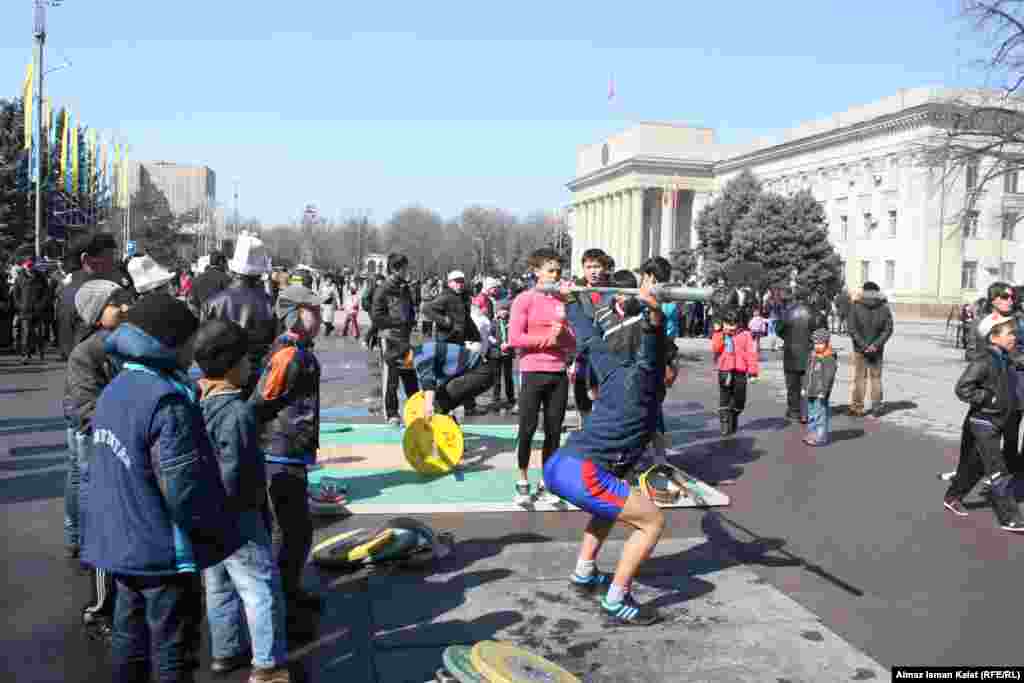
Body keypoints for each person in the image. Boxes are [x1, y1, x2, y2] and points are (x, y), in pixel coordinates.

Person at [83, 292, 242, 683]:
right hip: (162, 550)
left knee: (128, 638)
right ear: (170, 342)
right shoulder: (167, 401)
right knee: (173, 650)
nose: (194, 350)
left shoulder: (115, 388)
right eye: (189, 341)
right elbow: (183, 489)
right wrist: (216, 534)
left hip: (119, 541)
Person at [542, 280, 668, 626]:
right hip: (584, 472)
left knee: (613, 504)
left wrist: (569, 301)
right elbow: (653, 347)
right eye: (669, 371)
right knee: (652, 521)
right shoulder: (646, 377)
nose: (671, 376)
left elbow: (588, 338)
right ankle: (616, 598)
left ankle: (584, 572)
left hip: (559, 465)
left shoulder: (611, 369)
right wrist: (654, 311)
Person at [194, 319, 291, 682]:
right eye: (247, 361)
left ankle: (225, 650)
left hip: (205, 511)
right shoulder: (237, 412)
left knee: (217, 584)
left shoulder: (197, 398)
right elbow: (234, 471)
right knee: (260, 587)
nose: (252, 367)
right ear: (231, 365)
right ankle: (267, 665)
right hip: (238, 515)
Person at [64, 280, 133, 643]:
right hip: (105, 449)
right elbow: (86, 410)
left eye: (124, 301)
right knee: (106, 526)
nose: (124, 308)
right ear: (95, 313)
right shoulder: (87, 355)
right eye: (115, 304)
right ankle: (100, 610)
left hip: (134, 449)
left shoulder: (131, 343)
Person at [250, 285, 324, 612]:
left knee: (294, 529)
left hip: (290, 449)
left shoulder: (299, 350)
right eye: (314, 311)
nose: (322, 317)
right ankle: (281, 597)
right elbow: (260, 401)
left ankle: (286, 590)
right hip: (280, 452)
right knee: (292, 530)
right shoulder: (288, 355)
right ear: (294, 314)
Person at [944, 311, 1024, 532]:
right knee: (999, 471)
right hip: (983, 422)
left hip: (998, 420)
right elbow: (962, 388)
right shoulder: (984, 361)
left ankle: (952, 496)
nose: (1014, 338)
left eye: (1015, 335)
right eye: (1009, 334)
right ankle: (1010, 518)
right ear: (993, 337)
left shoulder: (1007, 359)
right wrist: (989, 398)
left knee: (979, 465)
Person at [508, 248, 576, 505]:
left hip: (558, 374)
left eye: (558, 271)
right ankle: (522, 479)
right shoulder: (524, 299)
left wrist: (563, 336)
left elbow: (572, 342)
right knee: (526, 429)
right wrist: (547, 340)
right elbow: (515, 338)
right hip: (532, 371)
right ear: (536, 272)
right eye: (550, 270)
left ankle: (548, 482)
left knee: (553, 432)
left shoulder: (562, 301)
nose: (555, 275)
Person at [203, 233, 277, 399]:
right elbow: (274, 345)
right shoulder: (269, 304)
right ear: (259, 273)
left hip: (222, 380)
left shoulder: (214, 302)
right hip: (258, 380)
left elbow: (204, 346)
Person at [371, 255, 420, 426]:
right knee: (391, 379)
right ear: (395, 269)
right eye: (405, 268)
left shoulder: (404, 287)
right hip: (390, 338)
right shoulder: (383, 289)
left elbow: (409, 309)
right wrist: (398, 322)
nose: (408, 271)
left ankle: (417, 409)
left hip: (404, 339)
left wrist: (412, 320)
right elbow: (377, 317)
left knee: (410, 376)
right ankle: (391, 413)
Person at [58, 232, 119, 362]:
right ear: (86, 259)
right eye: (109, 256)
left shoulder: (71, 287)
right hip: (94, 370)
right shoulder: (92, 292)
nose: (114, 263)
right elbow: (85, 340)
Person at [572, 249, 613, 426]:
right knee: (583, 400)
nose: (593, 271)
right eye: (589, 267)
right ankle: (585, 435)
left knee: (605, 401)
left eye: (597, 266)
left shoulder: (614, 290)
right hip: (582, 354)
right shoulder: (575, 291)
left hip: (607, 354)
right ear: (583, 268)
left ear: (604, 268)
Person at [775, 287, 825, 423]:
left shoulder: (787, 312)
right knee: (807, 384)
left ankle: (793, 411)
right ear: (808, 297)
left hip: (791, 352)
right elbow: (822, 333)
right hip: (810, 351)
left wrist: (788, 338)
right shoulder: (815, 313)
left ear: (795, 297)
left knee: (792, 384)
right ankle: (806, 411)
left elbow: (778, 329)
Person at [847, 281, 894, 418]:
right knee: (876, 378)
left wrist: (863, 345)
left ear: (864, 291)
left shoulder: (855, 306)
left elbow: (852, 328)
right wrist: (876, 345)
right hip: (877, 351)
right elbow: (888, 329)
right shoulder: (884, 307)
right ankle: (877, 407)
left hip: (860, 349)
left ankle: (857, 407)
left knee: (859, 378)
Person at [710, 307, 760, 436]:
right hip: (725, 370)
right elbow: (716, 349)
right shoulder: (720, 334)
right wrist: (719, 333)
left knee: (740, 400)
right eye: (727, 324)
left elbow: (751, 353)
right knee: (724, 397)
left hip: (740, 371)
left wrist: (753, 371)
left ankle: (734, 414)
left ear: (738, 323)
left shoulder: (745, 335)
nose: (730, 327)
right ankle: (725, 423)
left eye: (733, 324)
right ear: (723, 323)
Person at [12, 258, 53, 361]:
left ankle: (41, 352)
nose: (30, 267)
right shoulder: (19, 278)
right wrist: (20, 305)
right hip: (25, 310)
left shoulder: (41, 277)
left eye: (31, 265)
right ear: (24, 266)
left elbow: (46, 293)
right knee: (26, 334)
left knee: (39, 333)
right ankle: (26, 354)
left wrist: (41, 305)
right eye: (28, 265)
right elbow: (16, 295)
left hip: (38, 310)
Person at [803, 328, 838, 446]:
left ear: (827, 343)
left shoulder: (828, 357)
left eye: (820, 343)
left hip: (820, 392)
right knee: (812, 413)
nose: (817, 346)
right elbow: (808, 372)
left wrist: (824, 390)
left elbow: (828, 376)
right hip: (811, 390)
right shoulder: (813, 355)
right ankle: (812, 433)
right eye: (815, 343)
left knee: (820, 414)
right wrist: (804, 387)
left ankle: (820, 436)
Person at [490, 301, 516, 414]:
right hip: (496, 353)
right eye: (502, 310)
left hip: (508, 352)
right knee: (496, 378)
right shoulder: (493, 323)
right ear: (497, 311)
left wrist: (509, 343)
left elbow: (515, 334)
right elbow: (489, 336)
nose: (505, 312)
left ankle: (511, 398)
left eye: (506, 310)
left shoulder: (511, 322)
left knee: (508, 377)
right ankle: (496, 399)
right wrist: (497, 343)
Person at [189, 251, 232, 315]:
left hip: (203, 321)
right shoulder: (226, 279)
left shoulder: (197, 279)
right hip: (221, 321)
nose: (226, 265)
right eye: (225, 262)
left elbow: (193, 305)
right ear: (220, 262)